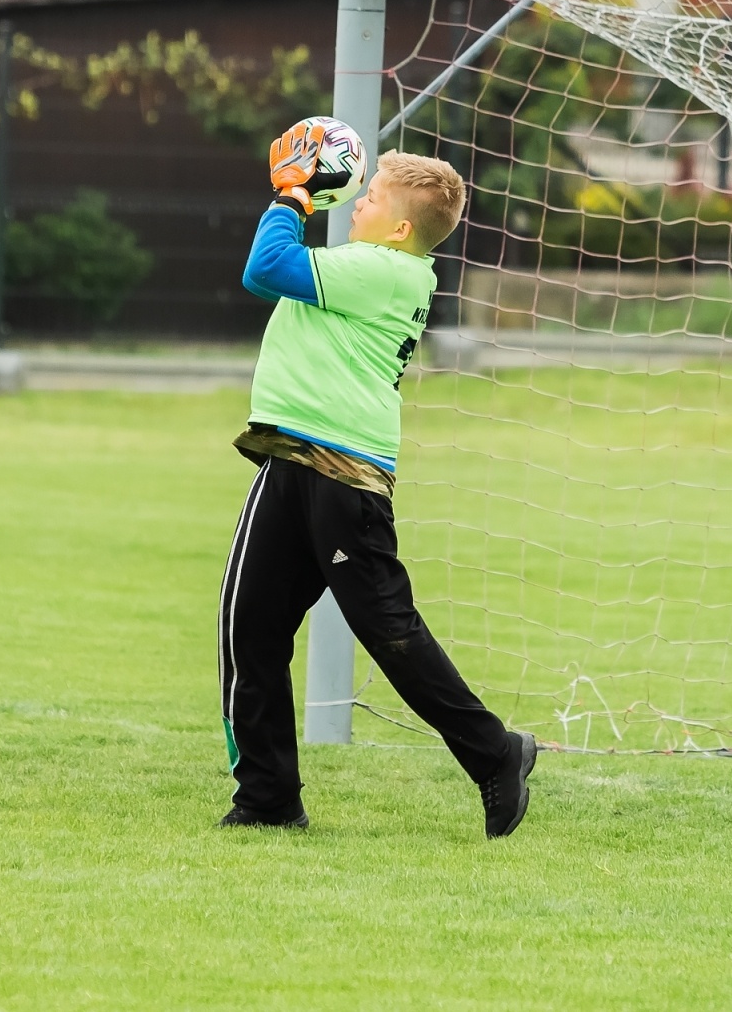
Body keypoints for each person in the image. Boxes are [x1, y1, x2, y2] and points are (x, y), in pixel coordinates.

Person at [216, 121, 537, 839]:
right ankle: (268, 799)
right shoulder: (381, 267)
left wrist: (294, 193)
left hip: (339, 476)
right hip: (299, 459)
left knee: (389, 631)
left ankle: (495, 754)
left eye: (368, 201)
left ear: (398, 227)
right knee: (251, 628)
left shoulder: (379, 271)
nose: (352, 204)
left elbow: (264, 269)